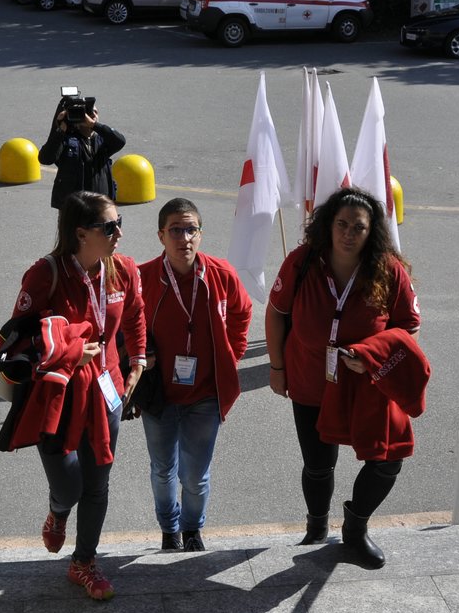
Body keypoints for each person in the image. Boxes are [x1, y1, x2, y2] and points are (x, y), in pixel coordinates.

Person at [264, 187, 421, 569]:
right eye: (342, 224)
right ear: (328, 225)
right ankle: (316, 529)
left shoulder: (388, 270)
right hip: (309, 382)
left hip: (365, 386)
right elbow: (276, 313)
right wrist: (276, 367)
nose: (349, 233)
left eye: (359, 227)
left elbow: (409, 327)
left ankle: (355, 530)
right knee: (318, 465)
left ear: (373, 232)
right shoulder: (302, 262)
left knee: (387, 461)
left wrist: (373, 357)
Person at [3, 191, 145, 600]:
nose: (118, 233)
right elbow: (16, 341)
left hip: (108, 392)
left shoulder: (124, 269)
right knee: (69, 484)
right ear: (81, 234)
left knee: (98, 482)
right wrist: (69, 352)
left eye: (120, 224)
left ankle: (84, 562)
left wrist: (137, 360)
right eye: (109, 227)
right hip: (57, 396)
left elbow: (135, 313)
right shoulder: (44, 275)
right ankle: (58, 510)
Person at [136, 198, 253, 552]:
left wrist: (231, 355)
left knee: (195, 477)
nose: (184, 237)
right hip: (160, 396)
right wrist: (142, 356)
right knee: (162, 470)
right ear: (161, 235)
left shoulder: (221, 274)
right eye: (175, 230)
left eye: (191, 230)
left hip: (204, 394)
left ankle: (191, 529)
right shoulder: (143, 277)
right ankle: (169, 529)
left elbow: (242, 312)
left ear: (200, 235)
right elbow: (127, 325)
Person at [38, 97, 125, 209]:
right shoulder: (67, 140)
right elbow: (46, 158)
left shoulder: (103, 140)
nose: (92, 115)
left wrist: (93, 125)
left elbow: (120, 141)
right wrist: (61, 129)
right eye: (87, 112)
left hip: (101, 206)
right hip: (75, 209)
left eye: (95, 112)